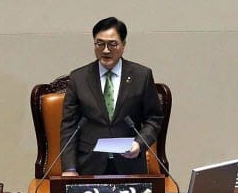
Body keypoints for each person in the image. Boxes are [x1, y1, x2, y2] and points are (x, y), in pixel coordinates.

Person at [58, 17, 164, 177]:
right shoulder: (78, 78)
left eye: (112, 44)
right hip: (89, 164)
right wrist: (70, 168)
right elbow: (69, 126)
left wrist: (139, 143)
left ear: (123, 45)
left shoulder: (142, 76)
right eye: (100, 44)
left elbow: (154, 118)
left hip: (129, 163)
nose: (106, 50)